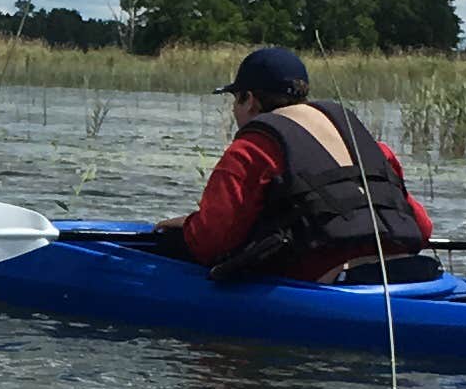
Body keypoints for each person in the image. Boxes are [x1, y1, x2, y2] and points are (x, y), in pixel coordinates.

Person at [152, 45, 435, 283]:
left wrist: (186, 227)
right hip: (413, 277)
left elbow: (210, 243)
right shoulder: (372, 146)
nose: (234, 110)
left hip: (336, 284)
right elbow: (422, 229)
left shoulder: (253, 148)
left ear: (249, 99)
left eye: (234, 100)